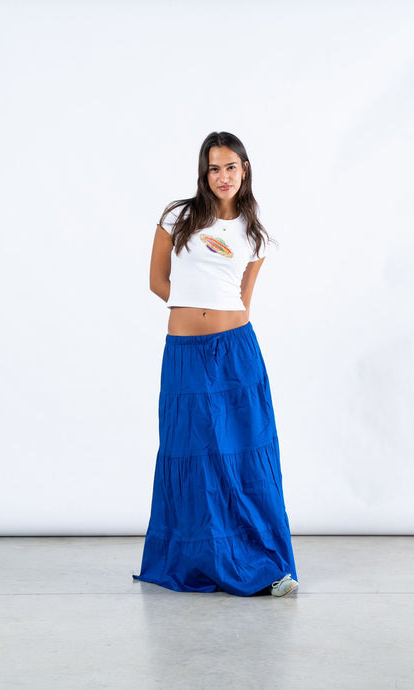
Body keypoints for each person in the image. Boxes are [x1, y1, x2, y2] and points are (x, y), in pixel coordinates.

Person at [132, 131, 298, 597]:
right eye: (214, 168)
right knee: (192, 451)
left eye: (231, 167)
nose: (223, 176)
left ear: (245, 170)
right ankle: (200, 560)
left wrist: (218, 318)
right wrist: (192, 307)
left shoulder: (255, 234)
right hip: (185, 352)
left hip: (236, 351)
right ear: (204, 174)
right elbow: (157, 281)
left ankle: (263, 565)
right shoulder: (178, 217)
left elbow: (243, 299)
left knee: (241, 451)